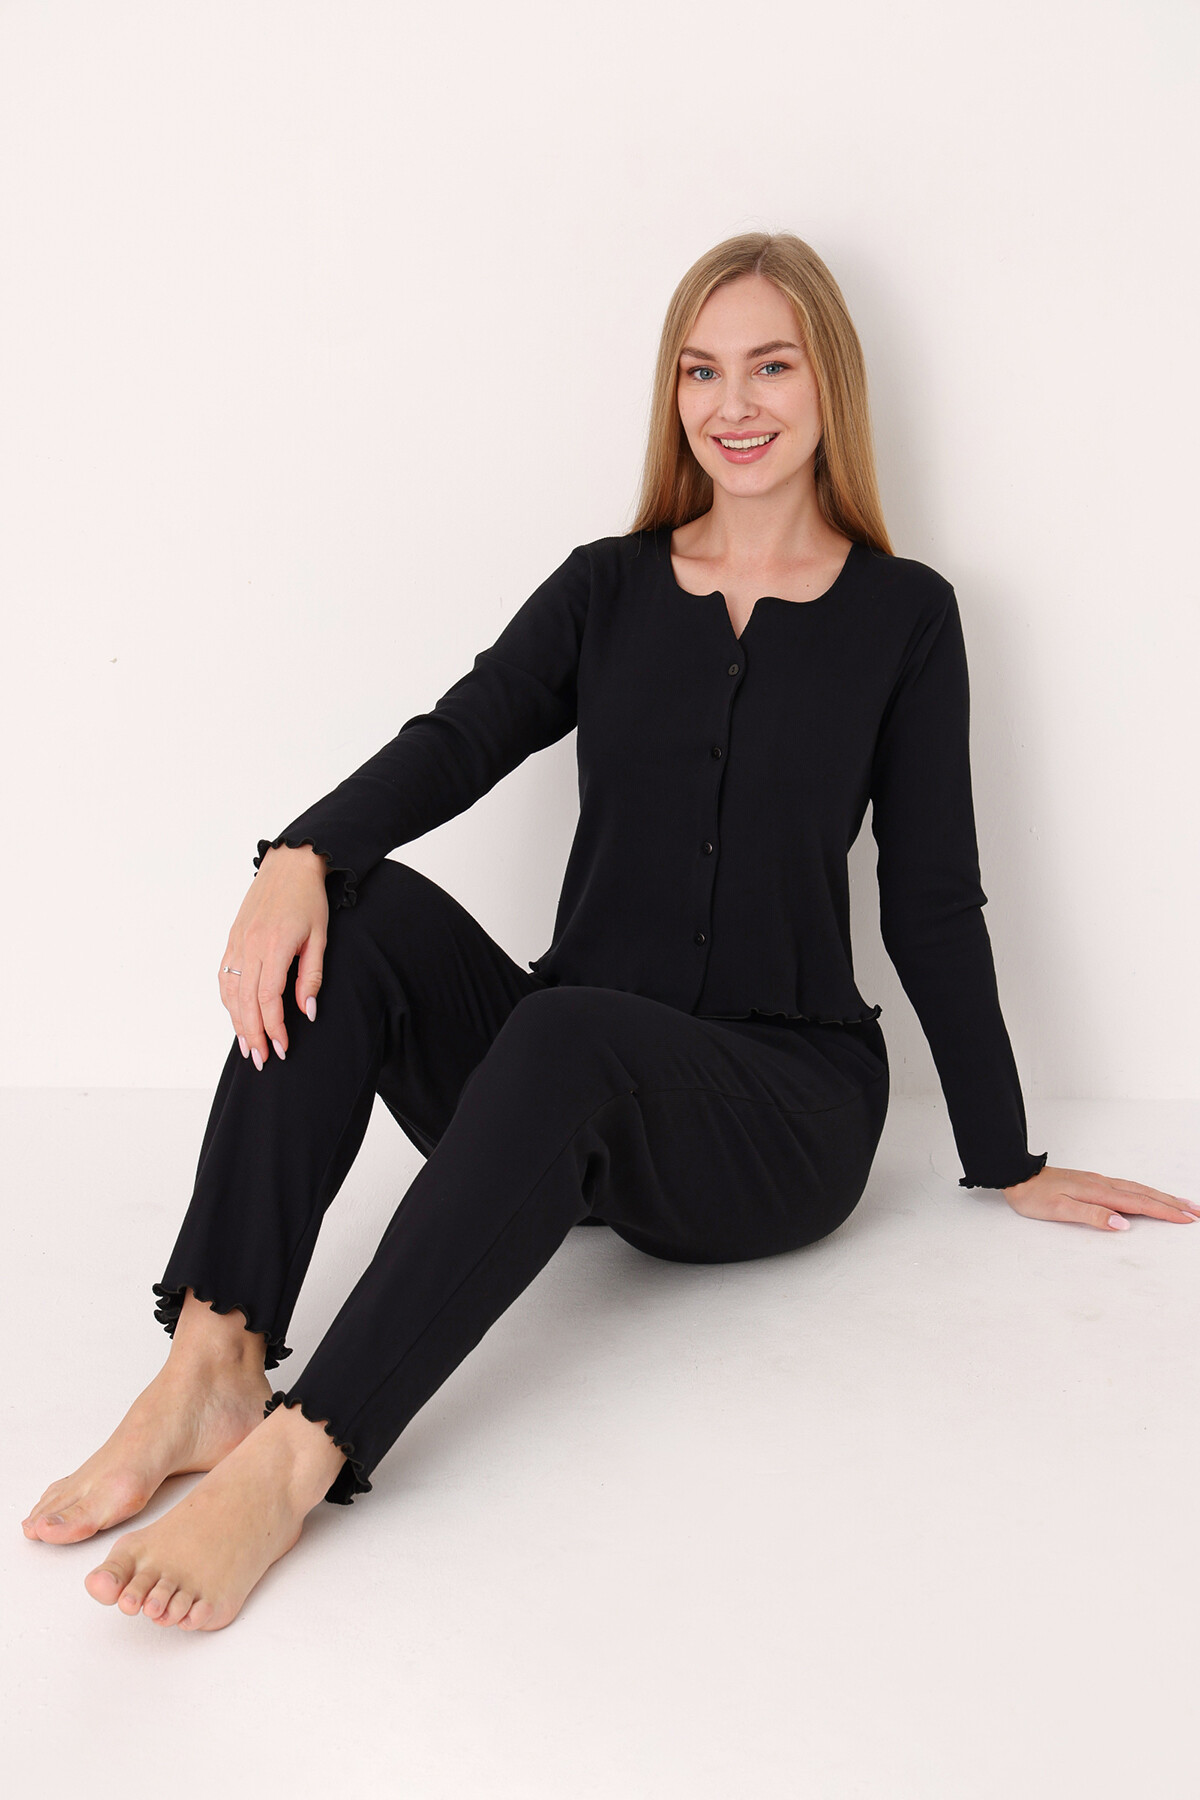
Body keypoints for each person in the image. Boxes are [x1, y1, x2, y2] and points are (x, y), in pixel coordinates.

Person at [22, 231, 1197, 1633]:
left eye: (771, 365)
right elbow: (457, 738)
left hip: (781, 1111)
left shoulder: (906, 616)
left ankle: (296, 1457)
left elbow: (933, 897)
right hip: (559, 1083)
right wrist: (300, 853)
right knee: (362, 908)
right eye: (701, 371)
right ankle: (213, 1365)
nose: (733, 403)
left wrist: (1010, 1158)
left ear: (830, 382)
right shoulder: (608, 588)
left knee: (566, 1033)